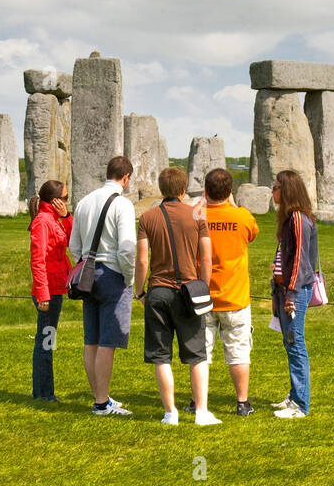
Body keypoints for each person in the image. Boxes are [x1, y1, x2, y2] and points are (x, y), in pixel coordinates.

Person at [135, 165, 221, 426]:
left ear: (162, 189)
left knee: (161, 356)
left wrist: (140, 291)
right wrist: (202, 287)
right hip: (188, 291)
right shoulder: (197, 215)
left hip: (158, 291)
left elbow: (141, 260)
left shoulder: (148, 217)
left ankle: (170, 412)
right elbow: (206, 256)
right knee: (197, 354)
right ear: (183, 190)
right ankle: (202, 412)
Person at [69, 155, 136, 417]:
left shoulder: (84, 202)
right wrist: (128, 278)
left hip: (87, 273)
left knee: (91, 340)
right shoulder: (123, 205)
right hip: (112, 273)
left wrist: (83, 263)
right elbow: (127, 248)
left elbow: (74, 245)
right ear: (126, 177)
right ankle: (101, 403)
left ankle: (101, 397)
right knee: (107, 342)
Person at [191, 167, 259, 417]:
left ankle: (196, 401)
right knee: (238, 351)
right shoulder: (242, 216)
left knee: (201, 352)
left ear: (206, 191)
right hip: (235, 297)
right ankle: (242, 402)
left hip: (202, 295)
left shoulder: (197, 215)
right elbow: (252, 235)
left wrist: (203, 204)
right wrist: (233, 206)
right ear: (230, 191)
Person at [270, 169, 318, 419]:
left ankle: (301, 403)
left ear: (286, 190)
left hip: (293, 291)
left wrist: (291, 294)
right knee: (290, 342)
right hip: (284, 288)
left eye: (276, 187)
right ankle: (294, 396)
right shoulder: (290, 218)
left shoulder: (298, 218)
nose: (272, 191)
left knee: (295, 343)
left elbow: (300, 259)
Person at [28, 179, 73, 402]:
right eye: (65, 198)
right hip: (49, 293)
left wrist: (66, 216)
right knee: (45, 341)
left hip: (56, 289)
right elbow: (38, 260)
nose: (67, 201)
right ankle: (44, 393)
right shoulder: (43, 222)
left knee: (48, 340)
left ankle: (44, 391)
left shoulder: (54, 220)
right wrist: (43, 294)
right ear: (55, 200)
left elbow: (73, 242)